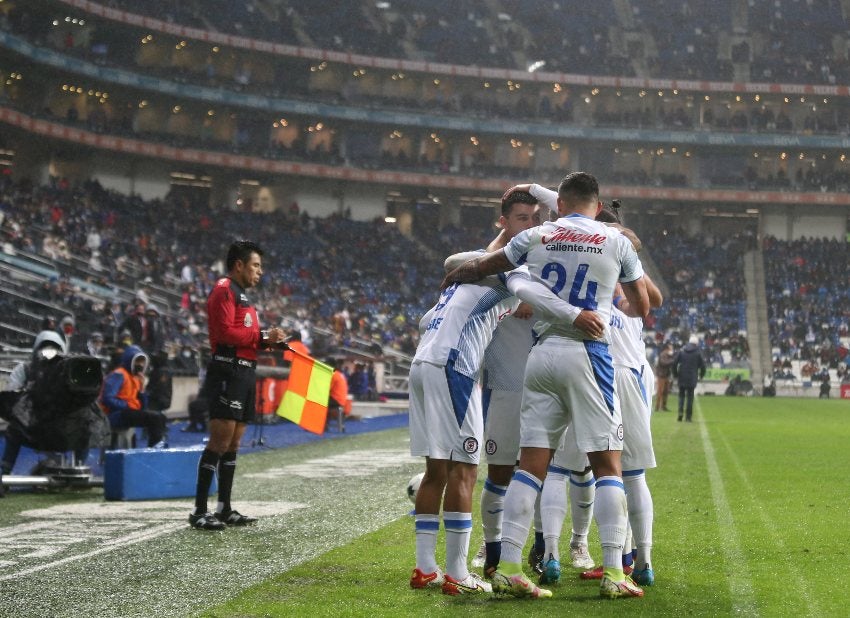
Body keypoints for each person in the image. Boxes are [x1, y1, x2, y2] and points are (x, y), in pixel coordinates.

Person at [442, 171, 650, 599]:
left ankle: (510, 565)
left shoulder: (537, 235)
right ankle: (614, 570)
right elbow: (642, 306)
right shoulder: (617, 241)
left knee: (532, 465)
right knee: (607, 465)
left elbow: (485, 265)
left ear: (561, 203)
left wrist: (455, 277)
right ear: (597, 203)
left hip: (541, 354)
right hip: (588, 354)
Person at [409, 190, 563, 596]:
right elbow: (531, 285)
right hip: (454, 367)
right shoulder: (507, 271)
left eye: (535, 218)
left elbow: (428, 314)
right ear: (504, 222)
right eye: (522, 218)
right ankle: (458, 573)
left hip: (425, 361)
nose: (530, 225)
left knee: (436, 469)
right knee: (465, 470)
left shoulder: (476, 270)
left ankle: (426, 568)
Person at [189, 240, 286, 531]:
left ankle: (224, 508)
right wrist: (262, 336)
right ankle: (199, 510)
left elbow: (246, 337)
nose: (260, 271)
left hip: (244, 372)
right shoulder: (223, 290)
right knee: (219, 442)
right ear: (239, 265)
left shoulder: (242, 296)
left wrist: (267, 341)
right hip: (226, 371)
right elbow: (225, 333)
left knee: (233, 444)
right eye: (256, 265)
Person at [100, 345, 168, 447]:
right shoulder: (119, 375)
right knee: (155, 418)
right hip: (115, 414)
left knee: (161, 416)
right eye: (137, 361)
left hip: (127, 412)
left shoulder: (136, 378)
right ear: (129, 360)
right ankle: (153, 450)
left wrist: (142, 389)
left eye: (142, 362)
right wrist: (127, 405)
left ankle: (157, 446)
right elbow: (107, 398)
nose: (140, 365)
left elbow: (143, 406)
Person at [672, 335, 706, 422]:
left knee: (681, 396)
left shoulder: (682, 351)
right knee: (690, 397)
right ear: (696, 343)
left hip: (682, 377)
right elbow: (703, 366)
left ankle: (680, 414)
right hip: (692, 377)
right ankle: (688, 417)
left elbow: (674, 363)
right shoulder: (698, 352)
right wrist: (701, 375)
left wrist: (675, 374)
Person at [654, 343, 675, 411]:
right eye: (670, 348)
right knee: (660, 391)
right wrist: (672, 361)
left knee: (666, 391)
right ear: (667, 349)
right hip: (661, 376)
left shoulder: (668, 355)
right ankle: (657, 407)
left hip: (666, 375)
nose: (672, 349)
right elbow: (663, 363)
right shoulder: (663, 354)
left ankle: (663, 406)